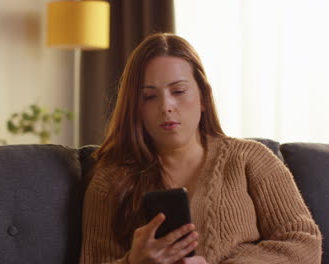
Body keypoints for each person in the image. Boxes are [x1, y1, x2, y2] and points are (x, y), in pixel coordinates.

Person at [79, 33, 322, 264]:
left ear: (203, 97)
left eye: (179, 91)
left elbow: (304, 243)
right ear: (136, 107)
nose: (166, 106)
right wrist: (133, 261)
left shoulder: (251, 159)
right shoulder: (109, 179)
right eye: (150, 97)